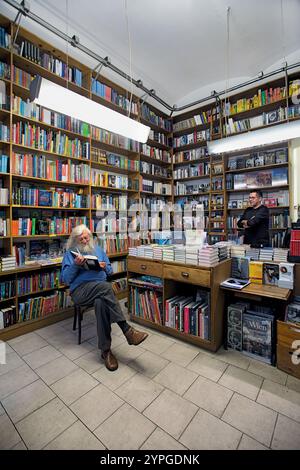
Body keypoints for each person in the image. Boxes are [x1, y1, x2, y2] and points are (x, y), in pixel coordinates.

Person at [61, 224, 148, 372]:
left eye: (86, 237)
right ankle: (127, 330)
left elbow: (109, 271)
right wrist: (76, 265)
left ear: (90, 237)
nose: (84, 240)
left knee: (101, 302)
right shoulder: (70, 254)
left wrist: (102, 267)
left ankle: (105, 351)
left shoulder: (99, 250)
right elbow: (66, 280)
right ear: (75, 240)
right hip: (81, 292)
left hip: (100, 291)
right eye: (80, 238)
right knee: (106, 288)